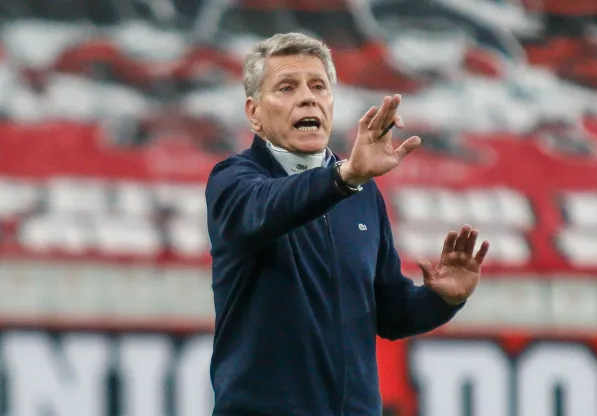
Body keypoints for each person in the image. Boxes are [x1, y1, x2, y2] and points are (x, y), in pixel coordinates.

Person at [205, 32, 491, 416]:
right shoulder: (234, 180)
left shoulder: (362, 192)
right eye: (287, 87)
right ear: (253, 112)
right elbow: (266, 209)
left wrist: (443, 299)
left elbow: (389, 313)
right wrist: (344, 178)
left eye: (318, 86)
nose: (308, 97)